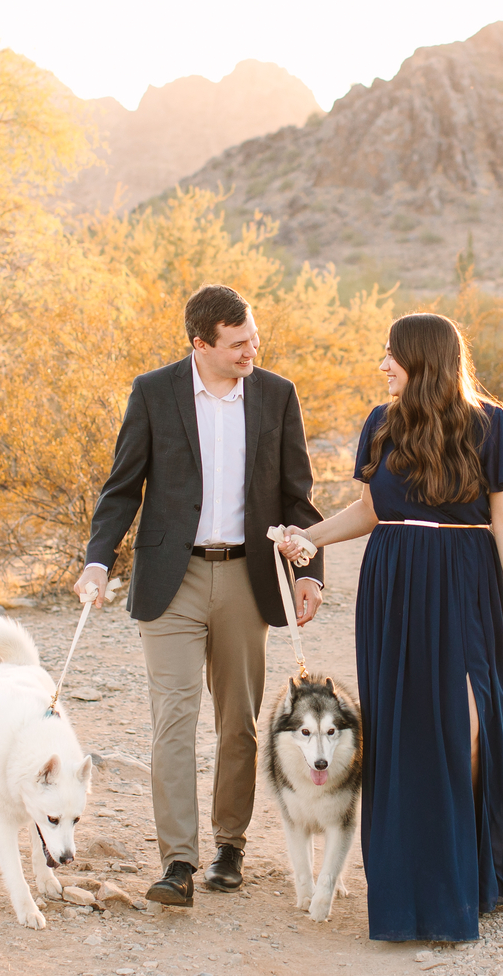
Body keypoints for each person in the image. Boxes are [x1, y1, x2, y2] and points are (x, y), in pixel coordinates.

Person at [275, 312, 503, 942]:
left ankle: (466, 873)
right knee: (404, 731)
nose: (382, 365)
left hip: (467, 585)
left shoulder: (492, 425)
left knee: (470, 725)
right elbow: (369, 509)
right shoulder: (381, 425)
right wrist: (308, 538)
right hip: (393, 585)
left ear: (423, 360)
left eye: (392, 355)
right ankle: (410, 888)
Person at [75, 284, 324, 908]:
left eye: (255, 341)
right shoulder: (153, 393)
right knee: (173, 721)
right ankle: (178, 863)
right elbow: (122, 487)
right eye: (238, 344)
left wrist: (309, 571)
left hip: (248, 576)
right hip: (172, 578)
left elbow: (299, 494)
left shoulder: (277, 395)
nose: (251, 352)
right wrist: (98, 561)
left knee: (237, 724)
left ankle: (229, 845)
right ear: (201, 344)